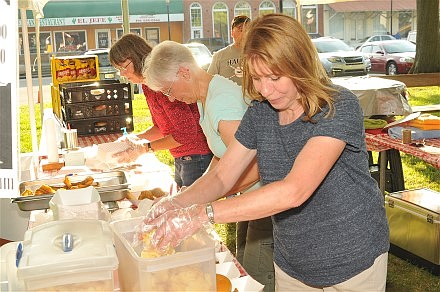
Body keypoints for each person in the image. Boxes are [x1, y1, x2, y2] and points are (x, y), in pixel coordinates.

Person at [142, 14, 390, 291]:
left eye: (275, 77)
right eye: (258, 78)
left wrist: (203, 214)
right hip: (293, 260)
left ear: (300, 65)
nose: (266, 90)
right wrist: (176, 204)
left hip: (353, 258)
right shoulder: (261, 113)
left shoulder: (338, 106)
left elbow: (294, 190)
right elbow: (223, 175)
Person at [142, 40, 275, 291]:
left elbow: (255, 165)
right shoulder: (206, 98)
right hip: (249, 196)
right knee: (243, 266)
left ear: (184, 72)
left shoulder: (221, 102)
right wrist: (195, 189)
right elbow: (223, 155)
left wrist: (204, 199)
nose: (172, 98)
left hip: (264, 198)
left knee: (257, 275)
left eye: (169, 90)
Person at [109, 34, 213, 189]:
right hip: (182, 157)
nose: (122, 74)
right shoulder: (147, 86)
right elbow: (161, 127)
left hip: (196, 157)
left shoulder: (160, 82)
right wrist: (137, 138)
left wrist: (145, 149)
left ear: (137, 57)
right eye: (118, 69)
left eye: (124, 67)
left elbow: (186, 133)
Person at [208, 15, 250, 86]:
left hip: (253, 97)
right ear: (232, 33)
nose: (244, 33)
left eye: (248, 29)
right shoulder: (219, 56)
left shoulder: (259, 55)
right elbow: (208, 83)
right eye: (241, 29)